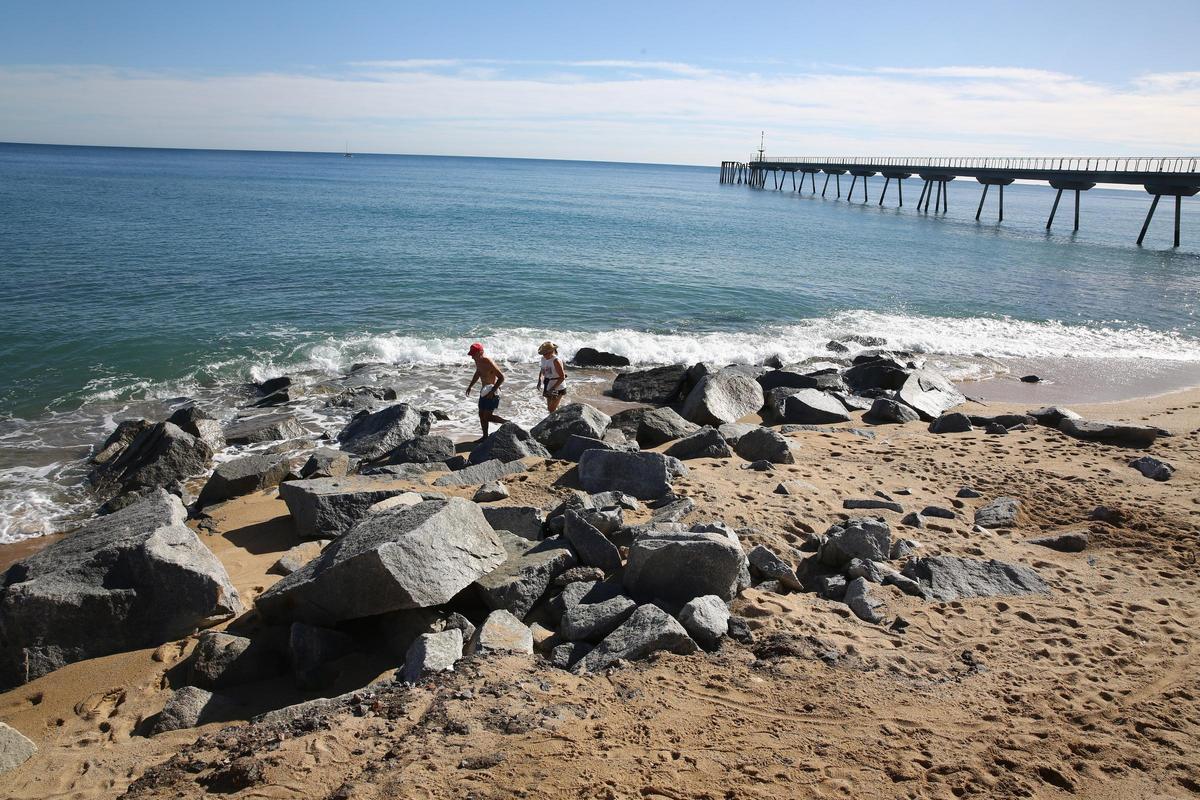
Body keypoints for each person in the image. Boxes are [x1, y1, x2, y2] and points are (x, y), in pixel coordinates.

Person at [465, 342, 508, 439]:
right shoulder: (478, 361)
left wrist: (492, 391)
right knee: (481, 415)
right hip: (484, 391)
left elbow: (501, 378)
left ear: (480, 352)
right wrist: (470, 386)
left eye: (473, 355)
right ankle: (485, 437)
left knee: (487, 416)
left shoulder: (488, 362)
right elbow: (478, 372)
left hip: (492, 392)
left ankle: (508, 423)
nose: (472, 357)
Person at [536, 341, 567, 413]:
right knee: (550, 408)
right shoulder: (543, 359)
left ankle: (560, 418)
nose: (544, 355)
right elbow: (542, 370)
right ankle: (556, 419)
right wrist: (539, 381)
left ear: (551, 351)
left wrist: (553, 388)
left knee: (551, 409)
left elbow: (562, 377)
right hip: (548, 385)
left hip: (558, 387)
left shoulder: (556, 361)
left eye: (546, 353)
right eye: (543, 353)